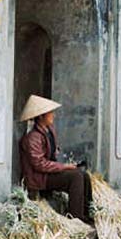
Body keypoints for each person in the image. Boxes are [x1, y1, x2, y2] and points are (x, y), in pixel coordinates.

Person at [19, 94, 93, 223]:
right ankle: (76, 218)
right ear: (41, 116)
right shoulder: (33, 138)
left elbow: (50, 152)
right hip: (39, 178)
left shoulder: (48, 130)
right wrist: (64, 167)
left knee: (84, 175)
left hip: (48, 173)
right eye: (50, 113)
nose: (54, 115)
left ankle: (87, 213)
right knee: (75, 177)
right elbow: (39, 164)